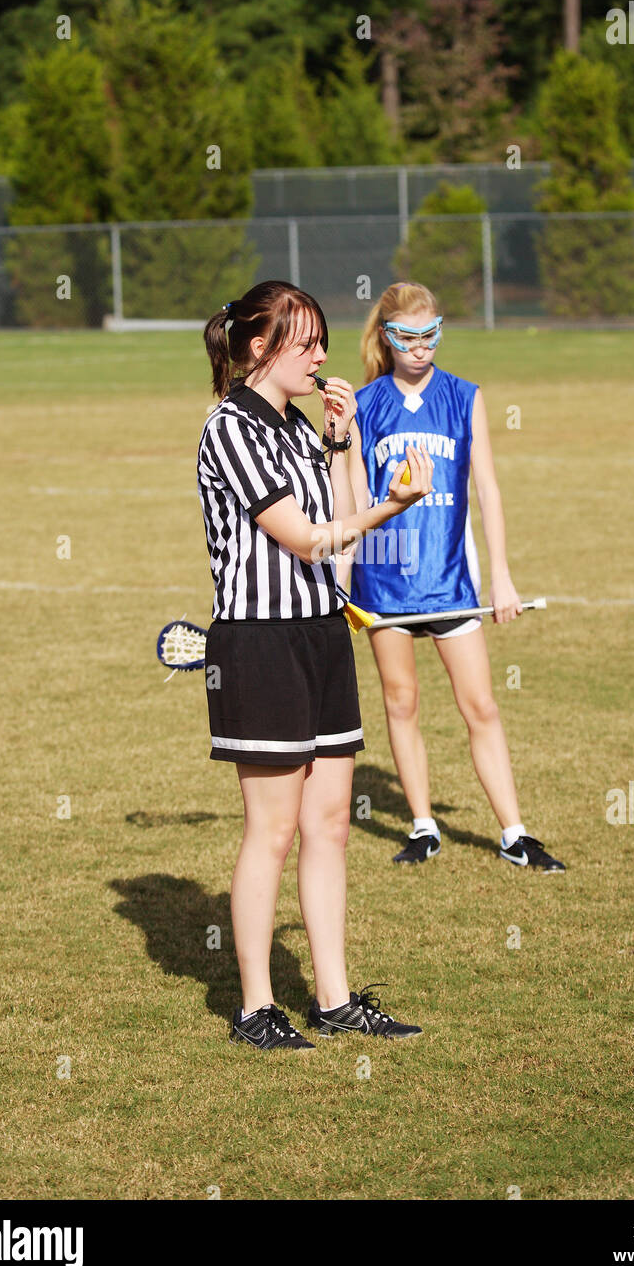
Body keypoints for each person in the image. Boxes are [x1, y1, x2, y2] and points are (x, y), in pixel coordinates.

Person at [197, 280, 433, 1051]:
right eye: (307, 343)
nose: (324, 356)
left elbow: (346, 535)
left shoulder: (299, 429)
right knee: (270, 832)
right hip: (260, 646)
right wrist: (392, 507)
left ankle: (334, 1001)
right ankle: (256, 1008)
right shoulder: (230, 428)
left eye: (323, 341)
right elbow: (303, 539)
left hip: (321, 635)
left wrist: (344, 442)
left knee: (329, 824)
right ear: (260, 349)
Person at [341, 280, 566, 873]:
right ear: (387, 338)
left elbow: (486, 489)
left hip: (450, 579)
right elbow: (355, 502)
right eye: (408, 337)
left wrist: (503, 578)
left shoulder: (465, 396)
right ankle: (422, 826)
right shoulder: (364, 403)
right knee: (402, 701)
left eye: (431, 334)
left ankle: (514, 833)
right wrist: (340, 580)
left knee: (481, 706)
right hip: (384, 582)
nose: (421, 347)